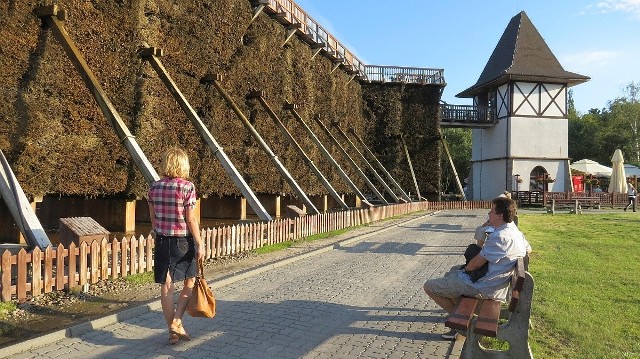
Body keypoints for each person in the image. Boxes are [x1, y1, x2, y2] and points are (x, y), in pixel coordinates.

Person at [423, 196, 531, 340]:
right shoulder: (515, 232)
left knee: (429, 286)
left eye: (492, 211)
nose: (488, 214)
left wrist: (465, 270)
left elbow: (474, 265)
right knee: (453, 272)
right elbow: (528, 249)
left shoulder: (501, 237)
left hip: (485, 287)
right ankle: (460, 316)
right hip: (496, 283)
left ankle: (463, 323)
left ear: (500, 215)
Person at [148, 147, 205, 345]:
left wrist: (157, 230)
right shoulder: (187, 187)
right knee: (190, 280)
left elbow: (153, 218)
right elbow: (191, 219)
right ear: (183, 165)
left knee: (166, 288)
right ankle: (177, 321)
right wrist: (199, 243)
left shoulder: (154, 187)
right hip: (183, 241)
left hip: (163, 241)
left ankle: (172, 333)